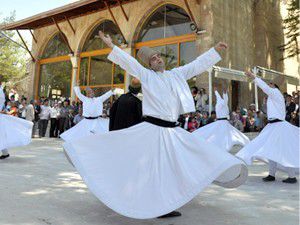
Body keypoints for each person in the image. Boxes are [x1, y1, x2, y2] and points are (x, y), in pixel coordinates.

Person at [63, 31, 247, 219]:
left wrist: (214, 51)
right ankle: (156, 204)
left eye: (159, 56)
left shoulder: (176, 74)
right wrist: (112, 46)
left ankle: (166, 200)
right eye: (153, 59)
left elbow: (196, 65)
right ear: (149, 65)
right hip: (153, 130)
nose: (158, 59)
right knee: (156, 168)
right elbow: (129, 63)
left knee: (190, 158)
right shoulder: (146, 76)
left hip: (172, 130)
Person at [237, 71, 299, 183]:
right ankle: (271, 174)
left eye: (270, 84)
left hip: (279, 126)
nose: (269, 85)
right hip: (273, 126)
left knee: (284, 150)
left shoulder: (275, 92)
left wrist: (254, 77)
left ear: (274, 86)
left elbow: (265, 88)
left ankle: (292, 176)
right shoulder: (272, 96)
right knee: (272, 149)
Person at [193, 86, 250, 152]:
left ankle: (225, 146)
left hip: (223, 122)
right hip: (219, 121)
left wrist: (224, 93)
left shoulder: (224, 103)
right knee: (216, 133)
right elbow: (218, 97)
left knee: (225, 135)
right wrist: (216, 91)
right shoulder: (219, 102)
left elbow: (225, 99)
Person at [0, 76, 33, 159]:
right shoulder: (1, 91)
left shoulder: (0, 91)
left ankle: (5, 153)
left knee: (2, 135)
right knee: (2, 135)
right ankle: (5, 152)